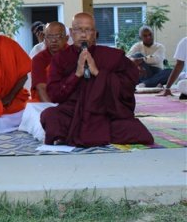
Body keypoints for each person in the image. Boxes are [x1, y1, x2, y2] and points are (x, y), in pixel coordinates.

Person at [40, 12, 154, 146]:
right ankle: (93, 135)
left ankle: (72, 135)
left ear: (94, 33)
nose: (83, 35)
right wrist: (76, 74)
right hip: (72, 112)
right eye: (78, 29)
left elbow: (128, 83)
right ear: (71, 32)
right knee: (49, 115)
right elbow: (54, 95)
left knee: (136, 129)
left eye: (88, 30)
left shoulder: (110, 55)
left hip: (104, 112)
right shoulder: (61, 59)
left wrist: (98, 73)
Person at [30, 22, 68, 102]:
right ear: (45, 39)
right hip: (46, 101)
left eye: (58, 36)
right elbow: (41, 88)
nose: (53, 40)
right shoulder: (39, 59)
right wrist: (51, 107)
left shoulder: (74, 55)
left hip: (71, 101)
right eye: (49, 37)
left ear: (66, 38)